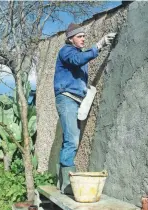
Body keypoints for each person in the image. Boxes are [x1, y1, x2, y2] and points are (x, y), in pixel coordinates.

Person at [53, 23, 116, 194]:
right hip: (66, 98)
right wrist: (99, 45)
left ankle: (62, 183)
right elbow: (77, 60)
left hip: (75, 100)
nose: (83, 38)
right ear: (70, 38)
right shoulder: (66, 51)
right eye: (79, 36)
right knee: (72, 140)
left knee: (69, 140)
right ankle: (66, 185)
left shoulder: (79, 55)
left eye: (84, 36)